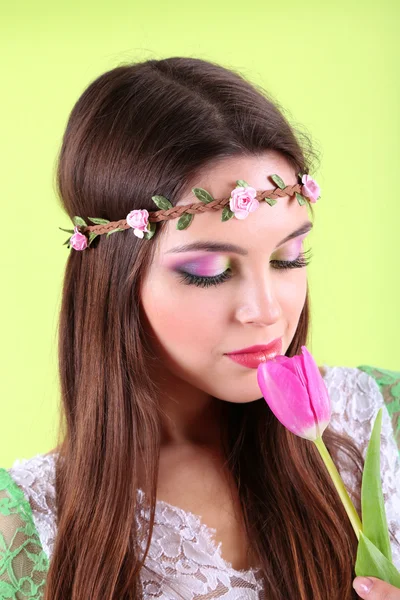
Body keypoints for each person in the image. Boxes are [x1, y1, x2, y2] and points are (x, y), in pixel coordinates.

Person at [0, 56, 399, 600]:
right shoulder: (28, 534)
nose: (266, 310)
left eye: (288, 258)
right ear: (113, 280)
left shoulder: (381, 421)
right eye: (208, 271)